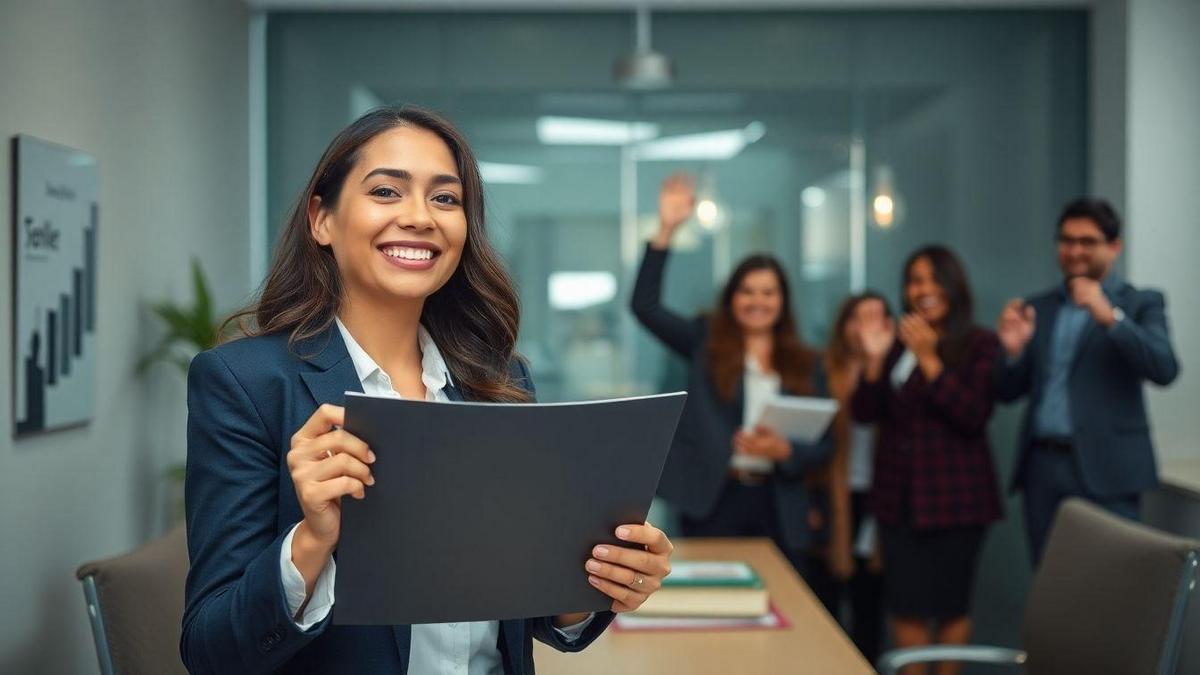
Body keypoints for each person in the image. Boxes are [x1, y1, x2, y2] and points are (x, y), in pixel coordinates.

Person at [181, 106, 674, 674]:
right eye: (387, 192)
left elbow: (530, 616)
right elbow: (210, 654)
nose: (420, 217)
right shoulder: (245, 385)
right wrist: (311, 541)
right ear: (322, 219)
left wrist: (599, 580)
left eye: (445, 199)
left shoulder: (500, 383)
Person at [631, 173, 833, 576]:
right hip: (714, 496)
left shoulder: (807, 361)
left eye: (768, 292)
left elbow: (827, 444)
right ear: (732, 298)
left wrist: (786, 451)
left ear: (782, 301)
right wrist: (667, 230)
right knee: (715, 600)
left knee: (782, 600)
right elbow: (645, 307)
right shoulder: (705, 340)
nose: (757, 301)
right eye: (748, 291)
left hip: (779, 499)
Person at [994, 198, 1179, 563]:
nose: (1075, 250)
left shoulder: (1142, 303)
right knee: (1050, 585)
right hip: (1043, 468)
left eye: (1087, 241)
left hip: (1108, 470)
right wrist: (1013, 352)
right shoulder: (1038, 307)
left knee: (1111, 586)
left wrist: (1110, 317)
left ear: (1114, 247)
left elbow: (1164, 368)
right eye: (1067, 240)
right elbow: (1006, 391)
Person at [851, 246, 1001, 675]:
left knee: (951, 608)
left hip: (959, 502)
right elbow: (866, 413)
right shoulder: (896, 340)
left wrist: (931, 359)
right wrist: (875, 360)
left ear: (954, 287)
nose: (924, 289)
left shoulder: (978, 343)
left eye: (935, 280)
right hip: (899, 501)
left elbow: (973, 415)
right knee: (906, 608)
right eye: (915, 280)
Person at [806, 291, 890, 663]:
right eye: (859, 317)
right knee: (826, 596)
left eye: (878, 317)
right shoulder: (824, 370)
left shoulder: (899, 371)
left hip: (881, 499)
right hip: (832, 497)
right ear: (844, 325)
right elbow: (809, 438)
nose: (868, 326)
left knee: (870, 599)